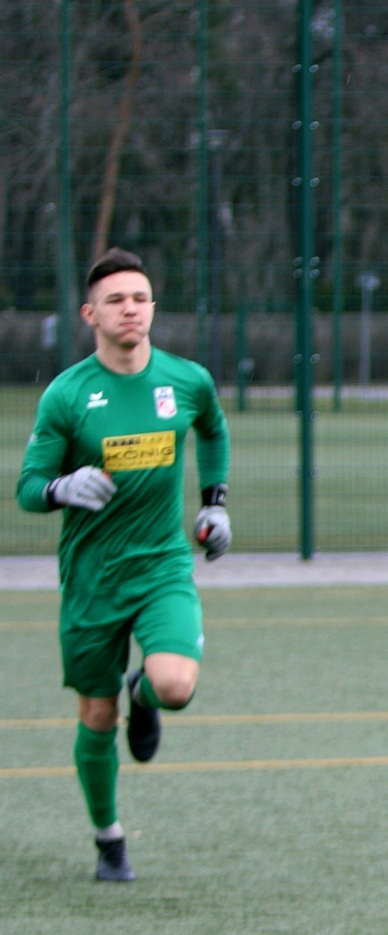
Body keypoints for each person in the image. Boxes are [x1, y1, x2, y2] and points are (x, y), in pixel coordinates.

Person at [15, 247, 232, 882]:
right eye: (115, 300)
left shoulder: (186, 380)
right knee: (96, 717)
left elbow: (214, 430)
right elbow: (28, 486)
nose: (130, 309)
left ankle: (147, 691)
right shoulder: (68, 394)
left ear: (152, 308)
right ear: (91, 314)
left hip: (163, 566)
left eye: (139, 298)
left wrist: (214, 506)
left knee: (175, 685)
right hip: (90, 579)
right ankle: (109, 839)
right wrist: (62, 487)